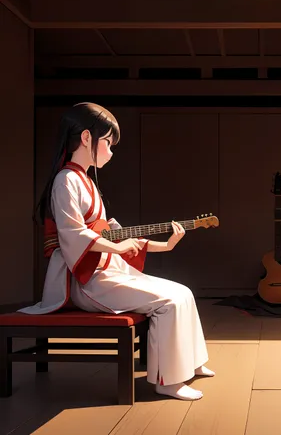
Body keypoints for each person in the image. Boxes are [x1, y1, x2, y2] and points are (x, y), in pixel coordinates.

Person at [19, 102, 214, 401]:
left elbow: (115, 234)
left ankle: (191, 362)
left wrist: (166, 244)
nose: (111, 150)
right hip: (82, 281)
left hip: (103, 273)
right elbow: (74, 234)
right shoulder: (66, 180)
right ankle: (169, 381)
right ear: (86, 138)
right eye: (108, 142)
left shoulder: (86, 182)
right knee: (169, 302)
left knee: (182, 292)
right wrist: (116, 245)